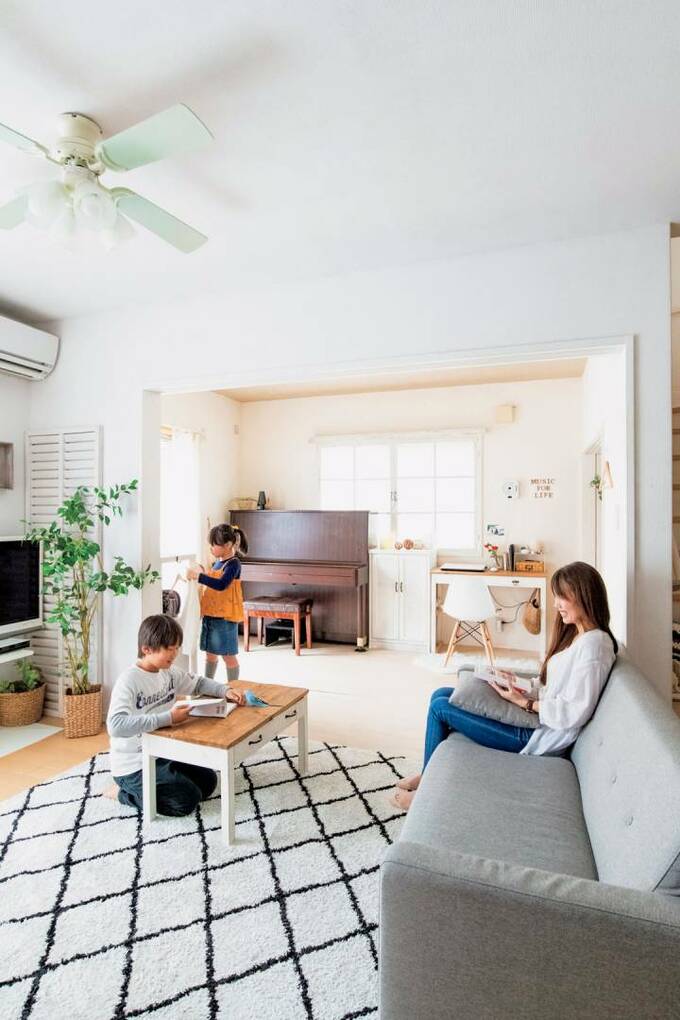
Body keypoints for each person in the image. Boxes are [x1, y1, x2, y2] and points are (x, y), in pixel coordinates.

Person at [392, 561, 618, 811]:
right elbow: (554, 687)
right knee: (441, 694)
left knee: (440, 708)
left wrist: (526, 702)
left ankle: (424, 792)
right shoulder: (580, 637)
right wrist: (518, 684)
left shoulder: (595, 646)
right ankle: (428, 774)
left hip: (536, 738)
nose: (556, 605)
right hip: (534, 720)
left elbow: (575, 711)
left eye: (562, 597)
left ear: (583, 595)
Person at [105, 614, 245, 815]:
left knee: (209, 782)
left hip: (164, 752)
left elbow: (198, 683)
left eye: (177, 647)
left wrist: (225, 690)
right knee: (185, 801)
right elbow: (116, 726)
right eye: (169, 649)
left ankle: (161, 784)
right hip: (134, 764)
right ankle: (123, 793)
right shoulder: (129, 681)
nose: (175, 653)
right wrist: (168, 718)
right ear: (147, 649)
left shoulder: (168, 672)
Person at [186, 523, 246, 682]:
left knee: (228, 656)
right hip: (211, 614)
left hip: (225, 617)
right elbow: (212, 581)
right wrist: (202, 573)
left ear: (227, 545)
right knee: (210, 654)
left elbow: (221, 585)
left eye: (214, 544)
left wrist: (199, 576)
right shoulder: (217, 563)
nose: (211, 548)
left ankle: (233, 687)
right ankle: (208, 685)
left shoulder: (233, 564)